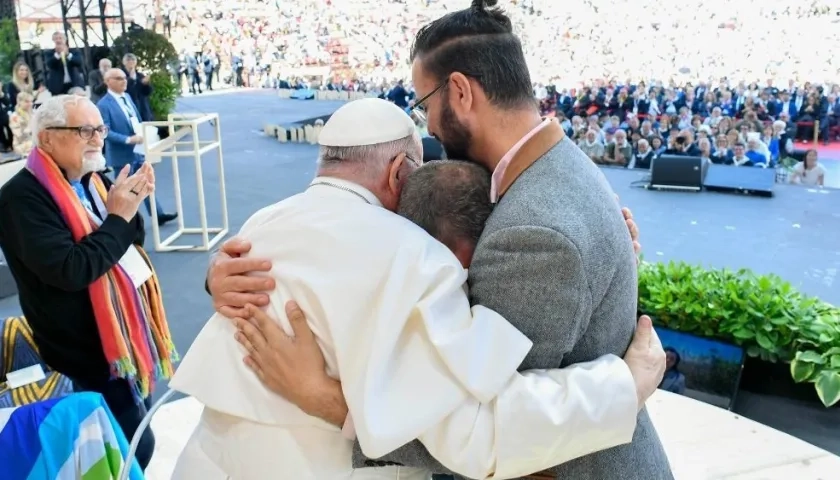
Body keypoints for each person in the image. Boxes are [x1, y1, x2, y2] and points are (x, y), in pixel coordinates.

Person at [210, 1, 673, 478]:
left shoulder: (533, 234)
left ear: (459, 92)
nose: (427, 125)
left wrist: (322, 397)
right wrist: (223, 275)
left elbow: (499, 435)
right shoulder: (555, 167)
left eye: (424, 104)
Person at [0, 95, 178, 471]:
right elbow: (72, 269)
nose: (97, 138)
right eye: (84, 130)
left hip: (123, 338)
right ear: (47, 139)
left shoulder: (92, 177)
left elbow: (132, 238)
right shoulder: (20, 198)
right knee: (130, 446)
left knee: (133, 435)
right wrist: (118, 217)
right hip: (83, 348)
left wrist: (132, 203)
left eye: (100, 128)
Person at [97, 68, 177, 225]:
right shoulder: (103, 104)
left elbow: (136, 118)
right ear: (108, 82)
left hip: (138, 150)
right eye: (119, 78)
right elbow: (105, 131)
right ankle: (125, 222)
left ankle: (158, 214)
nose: (124, 81)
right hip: (122, 153)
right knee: (125, 190)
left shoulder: (126, 97)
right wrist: (128, 139)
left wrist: (144, 133)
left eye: (124, 78)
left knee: (145, 183)